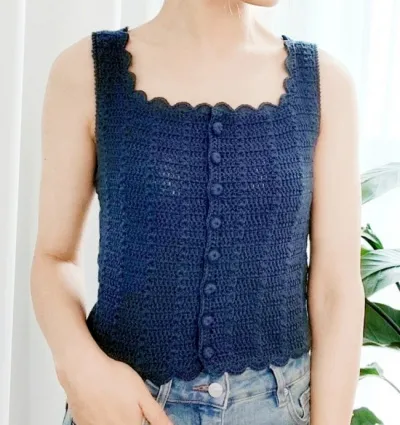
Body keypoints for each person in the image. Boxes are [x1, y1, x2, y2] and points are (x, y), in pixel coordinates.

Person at [30, 1, 365, 424]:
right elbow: (54, 257)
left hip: (277, 409)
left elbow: (337, 289)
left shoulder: (324, 84)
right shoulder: (89, 72)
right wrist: (81, 368)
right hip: (123, 407)